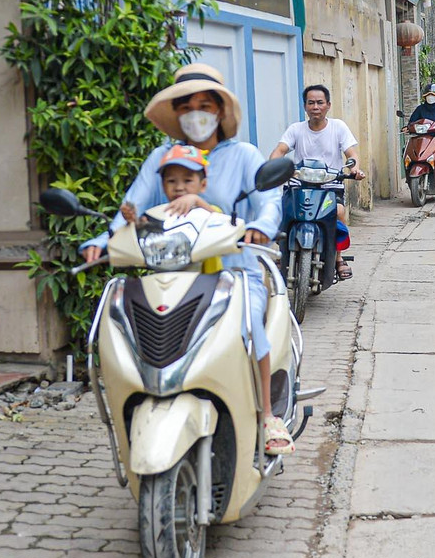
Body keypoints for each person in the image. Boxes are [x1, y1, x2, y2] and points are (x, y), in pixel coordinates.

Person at [81, 63, 294, 455]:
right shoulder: (161, 158)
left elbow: (268, 203)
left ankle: (268, 415)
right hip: (171, 272)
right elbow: (133, 205)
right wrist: (103, 239)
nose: (196, 113)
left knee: (251, 330)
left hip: (235, 270)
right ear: (177, 114)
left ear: (219, 111)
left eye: (205, 104)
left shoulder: (244, 156)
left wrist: (260, 226)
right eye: (187, 106)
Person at [269, 84, 366, 279]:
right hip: (299, 186)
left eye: (320, 102)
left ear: (328, 105)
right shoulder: (296, 129)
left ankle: (338, 257)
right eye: (311, 102)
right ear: (305, 106)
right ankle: (280, 252)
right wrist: (273, 167)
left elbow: (351, 153)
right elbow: (280, 150)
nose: (315, 107)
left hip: (330, 186)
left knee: (338, 212)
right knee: (280, 211)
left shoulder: (338, 127)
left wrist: (354, 168)